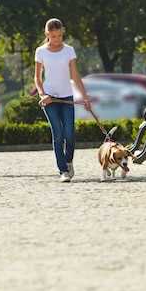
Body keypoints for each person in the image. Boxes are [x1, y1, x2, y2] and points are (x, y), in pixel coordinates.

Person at [34, 18, 91, 182]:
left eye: (59, 36)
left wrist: (85, 97)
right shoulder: (40, 52)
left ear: (62, 33)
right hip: (50, 99)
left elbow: (74, 75)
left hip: (67, 97)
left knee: (70, 134)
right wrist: (42, 94)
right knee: (58, 134)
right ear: (47, 34)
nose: (57, 40)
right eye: (53, 36)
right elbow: (37, 78)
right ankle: (63, 171)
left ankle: (68, 160)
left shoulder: (69, 51)